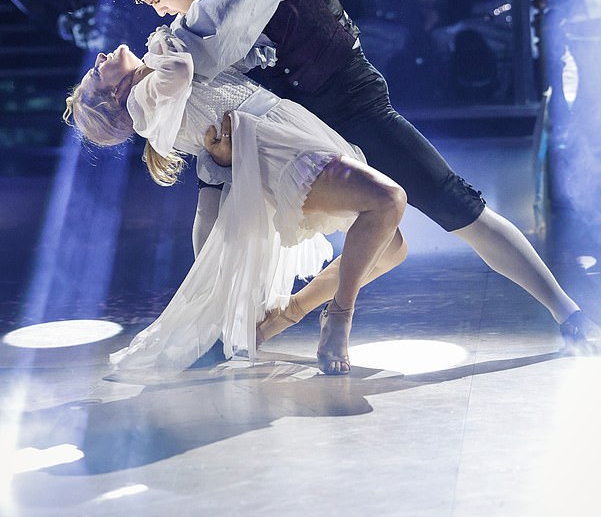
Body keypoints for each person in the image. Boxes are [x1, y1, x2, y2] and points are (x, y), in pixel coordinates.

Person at [111, 0, 601, 354]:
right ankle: (265, 321)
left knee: (455, 205)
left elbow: (214, 31)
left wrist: (165, 57)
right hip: (302, 132)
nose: (160, 12)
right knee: (375, 241)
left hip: (357, 108)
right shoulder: (198, 27)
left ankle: (570, 314)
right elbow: (207, 69)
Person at [63, 28, 407, 376]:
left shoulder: (151, 80)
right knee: (388, 200)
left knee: (392, 249)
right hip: (276, 150)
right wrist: (170, 39)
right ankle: (339, 317)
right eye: (96, 73)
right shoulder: (141, 100)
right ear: (112, 94)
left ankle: (282, 317)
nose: (99, 58)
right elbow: (180, 71)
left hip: (287, 126)